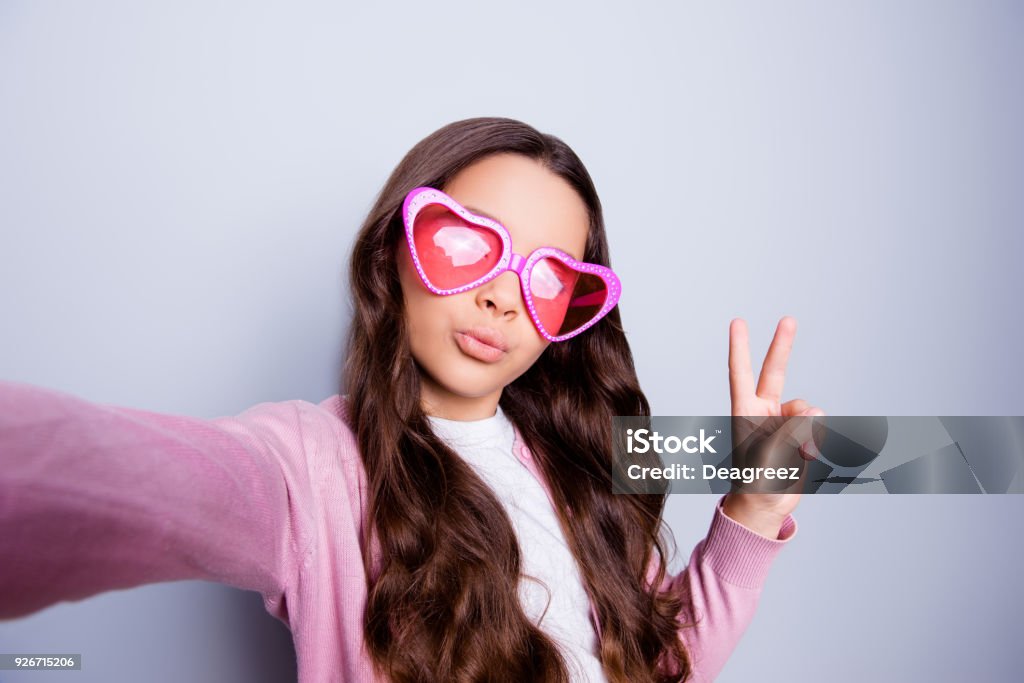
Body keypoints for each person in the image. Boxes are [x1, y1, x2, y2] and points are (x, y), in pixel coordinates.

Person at [0, 116, 824, 682]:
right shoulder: (314, 470)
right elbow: (106, 477)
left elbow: (654, 665)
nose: (504, 299)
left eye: (548, 279)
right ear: (398, 248)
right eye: (468, 243)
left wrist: (749, 513)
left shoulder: (582, 470)